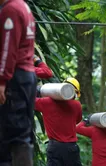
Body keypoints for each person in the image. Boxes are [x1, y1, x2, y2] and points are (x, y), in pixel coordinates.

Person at [0, 0, 37, 165]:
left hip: (15, 77)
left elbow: (8, 49)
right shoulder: (23, 6)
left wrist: (2, 80)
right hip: (27, 76)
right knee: (20, 131)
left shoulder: (11, 10)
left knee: (13, 134)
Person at [34, 77, 82, 166]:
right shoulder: (77, 105)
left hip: (54, 147)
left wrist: (36, 90)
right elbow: (77, 120)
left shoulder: (47, 102)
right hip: (71, 147)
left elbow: (29, 100)